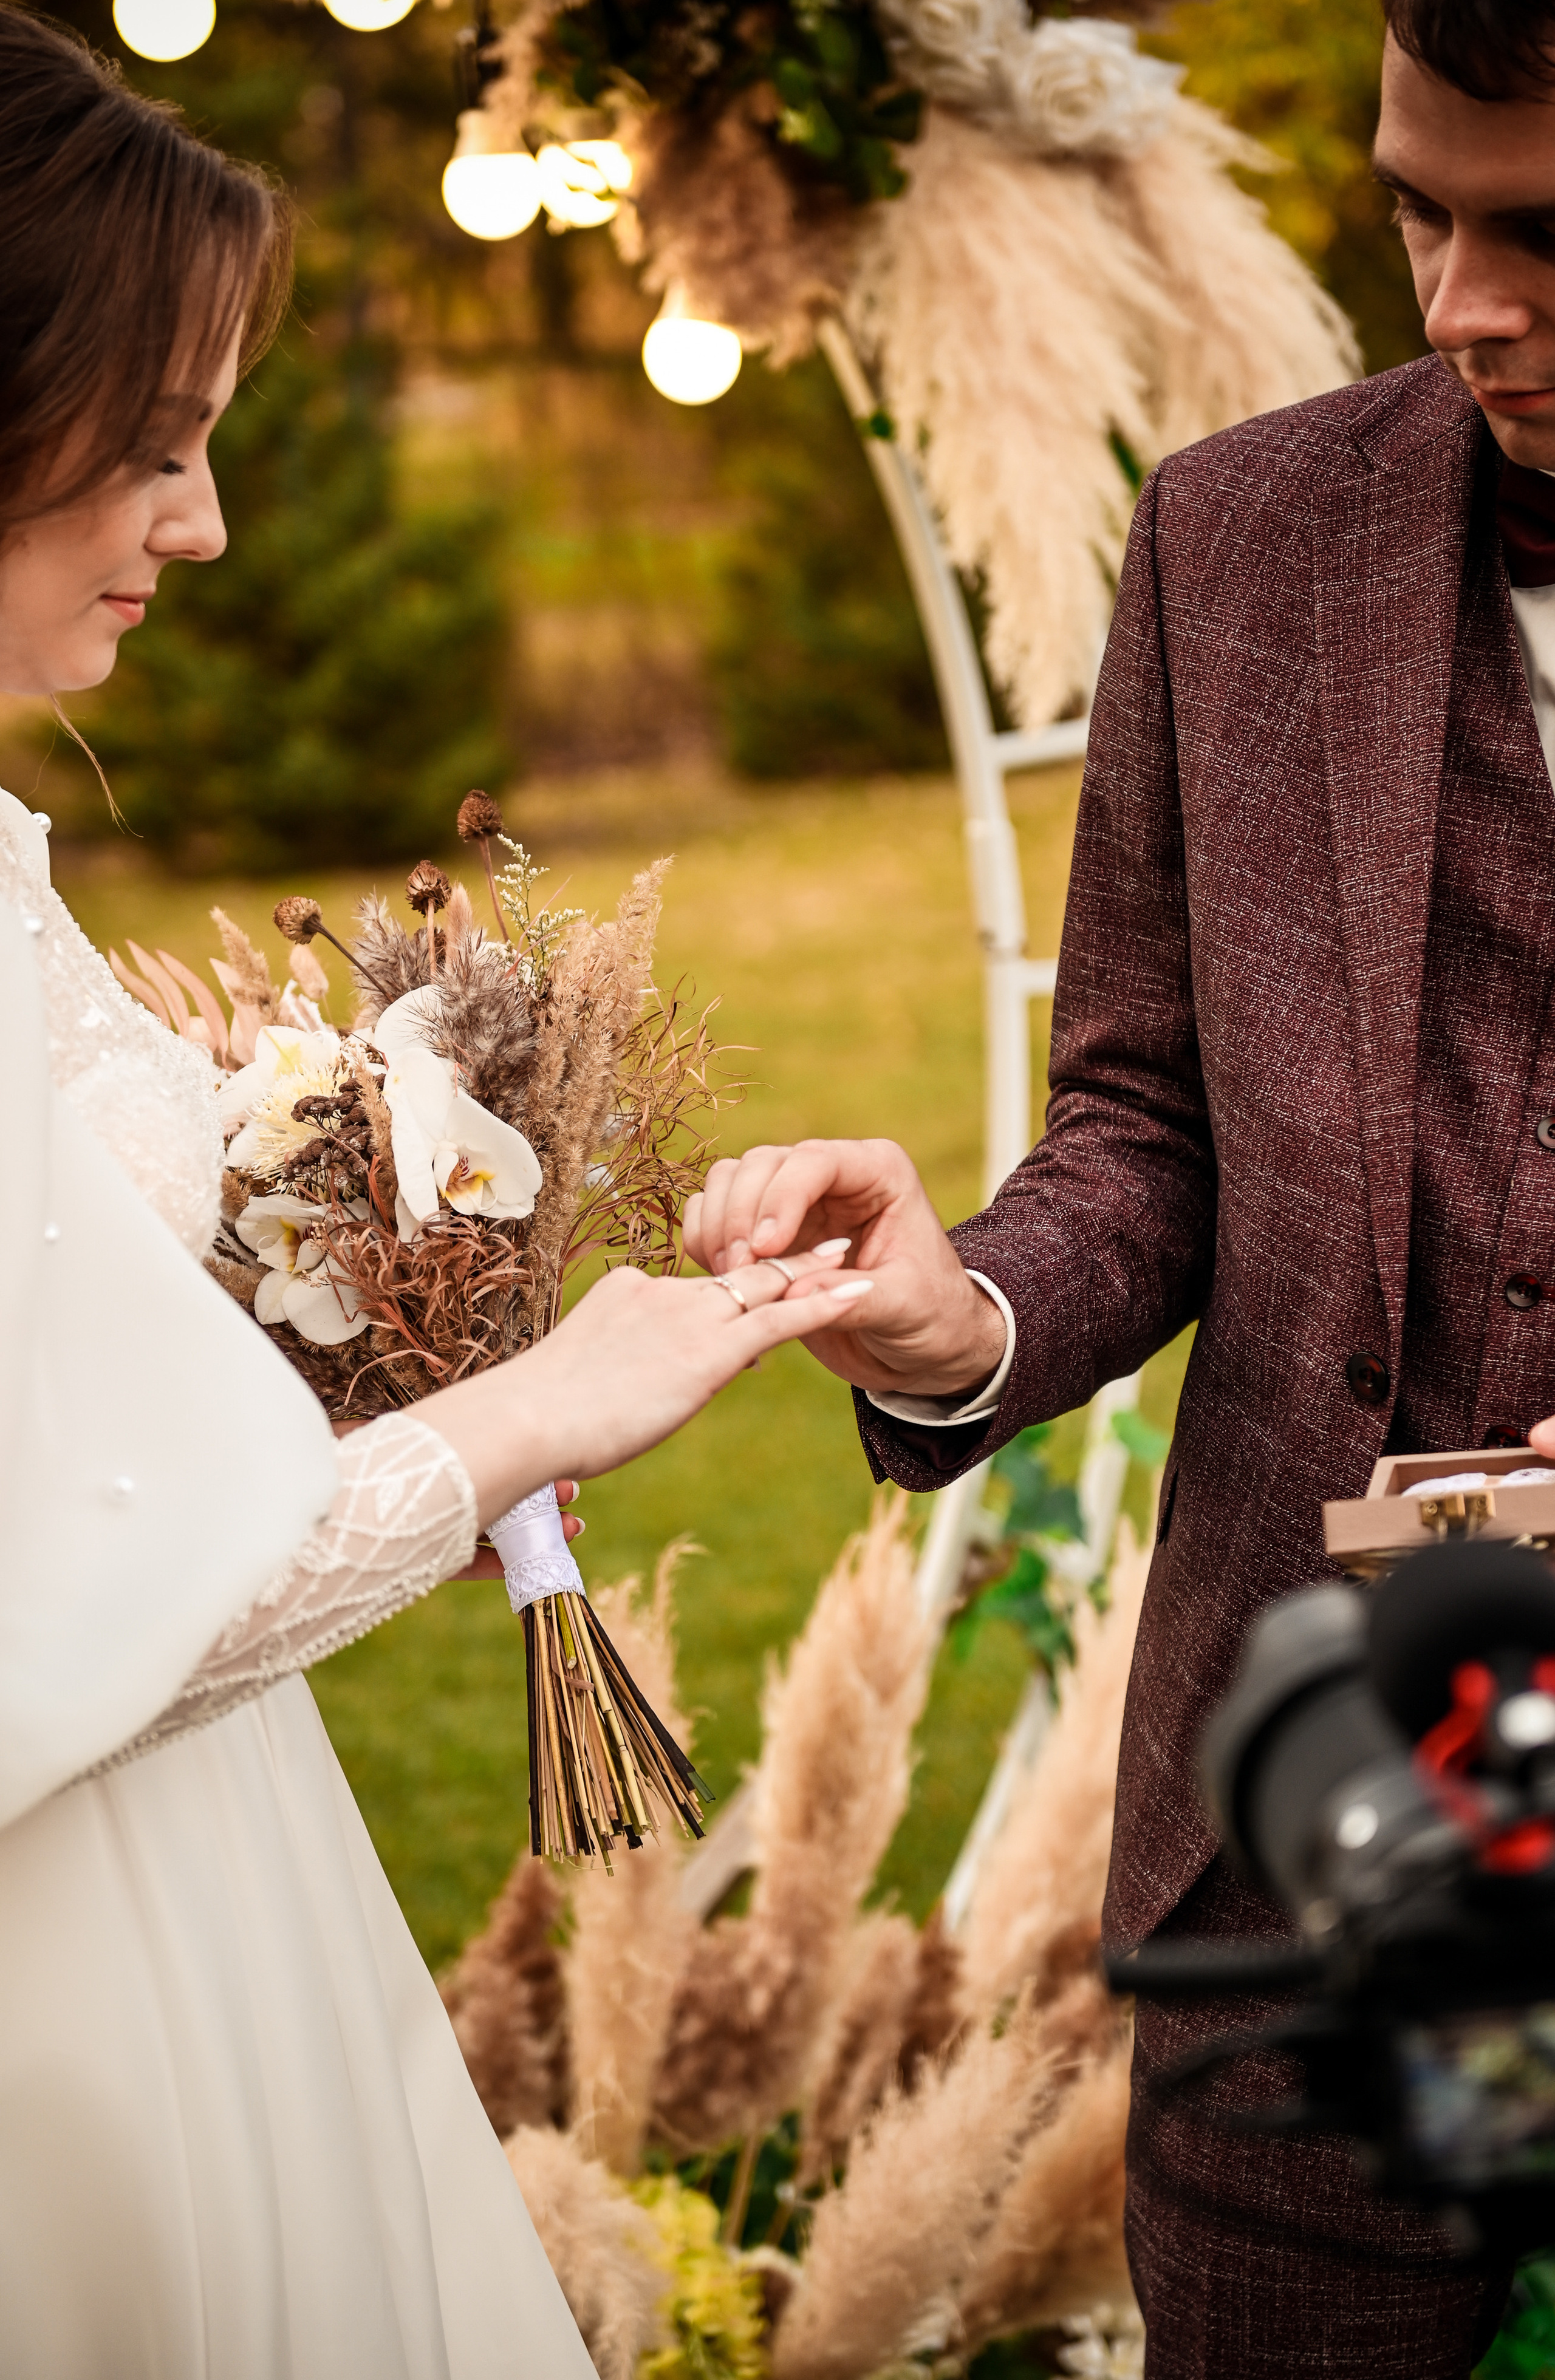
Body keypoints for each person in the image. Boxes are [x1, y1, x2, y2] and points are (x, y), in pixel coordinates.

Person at [685, 5, 1555, 2373]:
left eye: (1542, 234)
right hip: (1298, 1864)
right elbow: (1151, 1120)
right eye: (1415, 205)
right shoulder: (1242, 537)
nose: (1459, 299)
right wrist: (960, 1305)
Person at [0, 15, 871, 2376]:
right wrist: (535, 1407)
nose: (203, 523)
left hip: (201, 1863)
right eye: (159, 442)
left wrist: (303, 1187)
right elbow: (73, 1613)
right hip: (70, 1960)